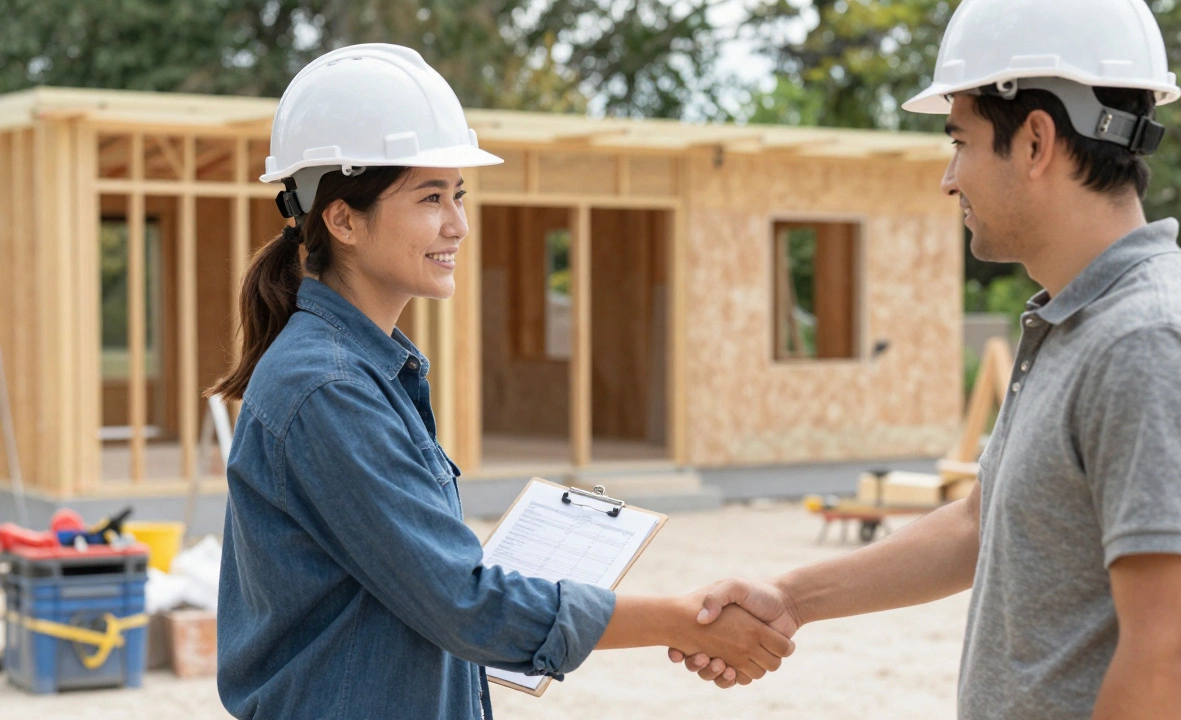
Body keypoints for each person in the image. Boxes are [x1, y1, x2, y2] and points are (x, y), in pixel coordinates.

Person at [671, 1, 1181, 718]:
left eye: (960, 140)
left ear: (1036, 141)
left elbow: (1169, 659)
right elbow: (981, 525)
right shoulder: (1081, 321)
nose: (949, 177)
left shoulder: (1151, 343)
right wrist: (793, 599)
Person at [209, 43, 792, 720]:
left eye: (458, 194)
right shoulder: (328, 389)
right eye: (431, 197)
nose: (458, 223)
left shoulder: (364, 370)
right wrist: (681, 619)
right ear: (342, 219)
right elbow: (466, 604)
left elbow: (428, 589)